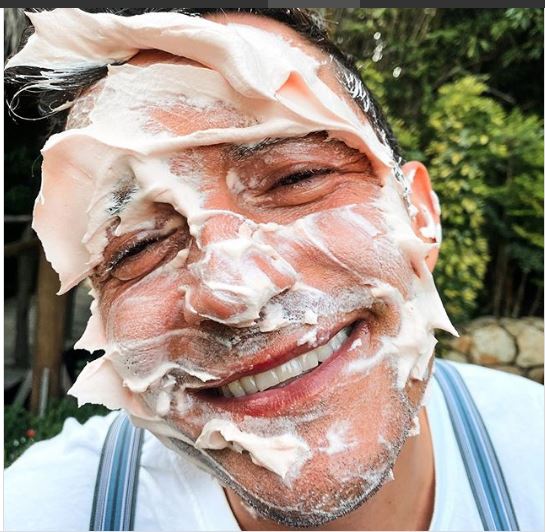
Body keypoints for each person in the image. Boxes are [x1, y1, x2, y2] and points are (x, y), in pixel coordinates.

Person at [4, 8, 543, 532]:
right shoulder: (39, 513)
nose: (232, 294)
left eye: (296, 178)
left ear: (421, 217)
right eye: (136, 249)